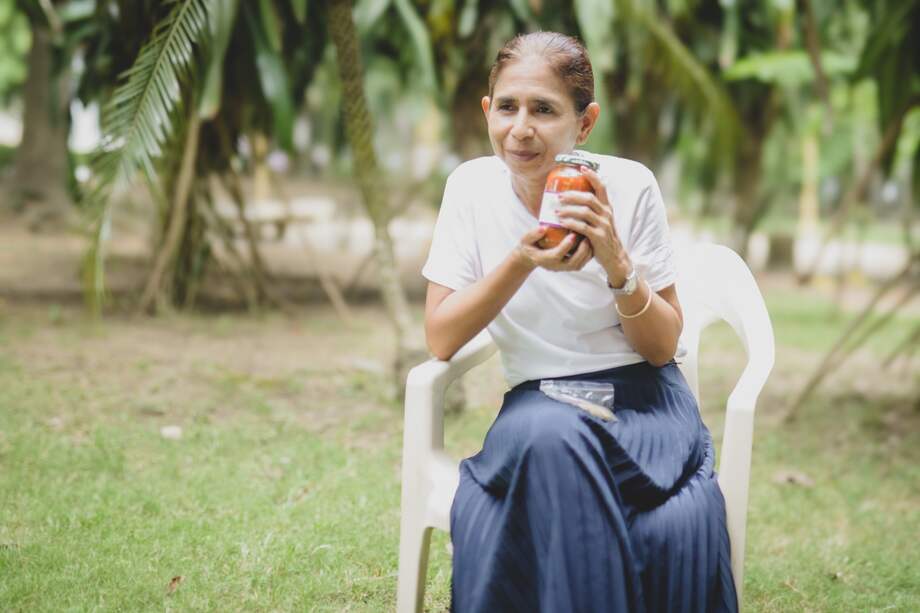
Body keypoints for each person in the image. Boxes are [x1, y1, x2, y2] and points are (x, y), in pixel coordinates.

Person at [421, 31, 738, 613]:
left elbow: (664, 347)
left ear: (584, 123)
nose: (522, 128)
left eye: (545, 110)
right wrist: (520, 259)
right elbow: (441, 334)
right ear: (488, 111)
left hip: (643, 406)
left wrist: (617, 262)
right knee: (550, 437)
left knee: (558, 450)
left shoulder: (630, 185)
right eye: (509, 107)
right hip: (539, 402)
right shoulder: (469, 188)